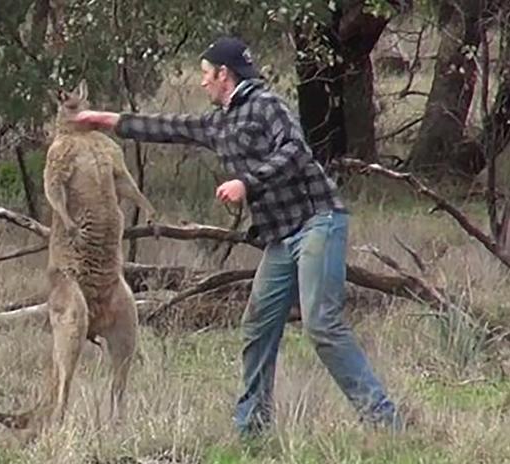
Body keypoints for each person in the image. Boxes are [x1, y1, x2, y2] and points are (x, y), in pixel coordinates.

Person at [71, 36, 403, 434]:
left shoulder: (267, 106)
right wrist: (103, 120)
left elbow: (296, 151)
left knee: (322, 324)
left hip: (318, 222)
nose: (202, 83)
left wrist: (246, 182)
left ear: (224, 75)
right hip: (280, 237)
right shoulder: (219, 122)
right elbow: (168, 127)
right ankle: (253, 428)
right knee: (259, 325)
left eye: (206, 75)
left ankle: (385, 422)